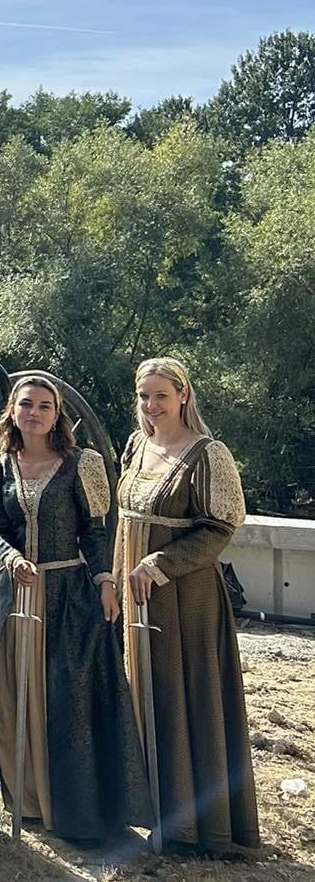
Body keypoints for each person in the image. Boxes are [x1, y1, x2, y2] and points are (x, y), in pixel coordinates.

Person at [0, 374, 150, 843]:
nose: (34, 413)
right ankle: (29, 801)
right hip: (17, 593)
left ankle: (77, 807)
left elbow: (96, 533)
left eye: (45, 406)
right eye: (26, 404)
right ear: (12, 411)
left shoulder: (80, 464)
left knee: (67, 695)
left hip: (68, 592)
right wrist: (10, 557)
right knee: (18, 690)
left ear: (58, 416)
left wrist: (105, 582)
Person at [116, 357, 259, 854]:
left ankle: (195, 827)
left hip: (183, 596)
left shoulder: (207, 454)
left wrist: (159, 564)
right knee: (143, 692)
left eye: (161, 395)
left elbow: (220, 528)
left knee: (183, 697)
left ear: (183, 395)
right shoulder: (137, 444)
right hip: (134, 594)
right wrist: (116, 579)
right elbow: (126, 520)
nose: (151, 405)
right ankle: (149, 810)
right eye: (144, 396)